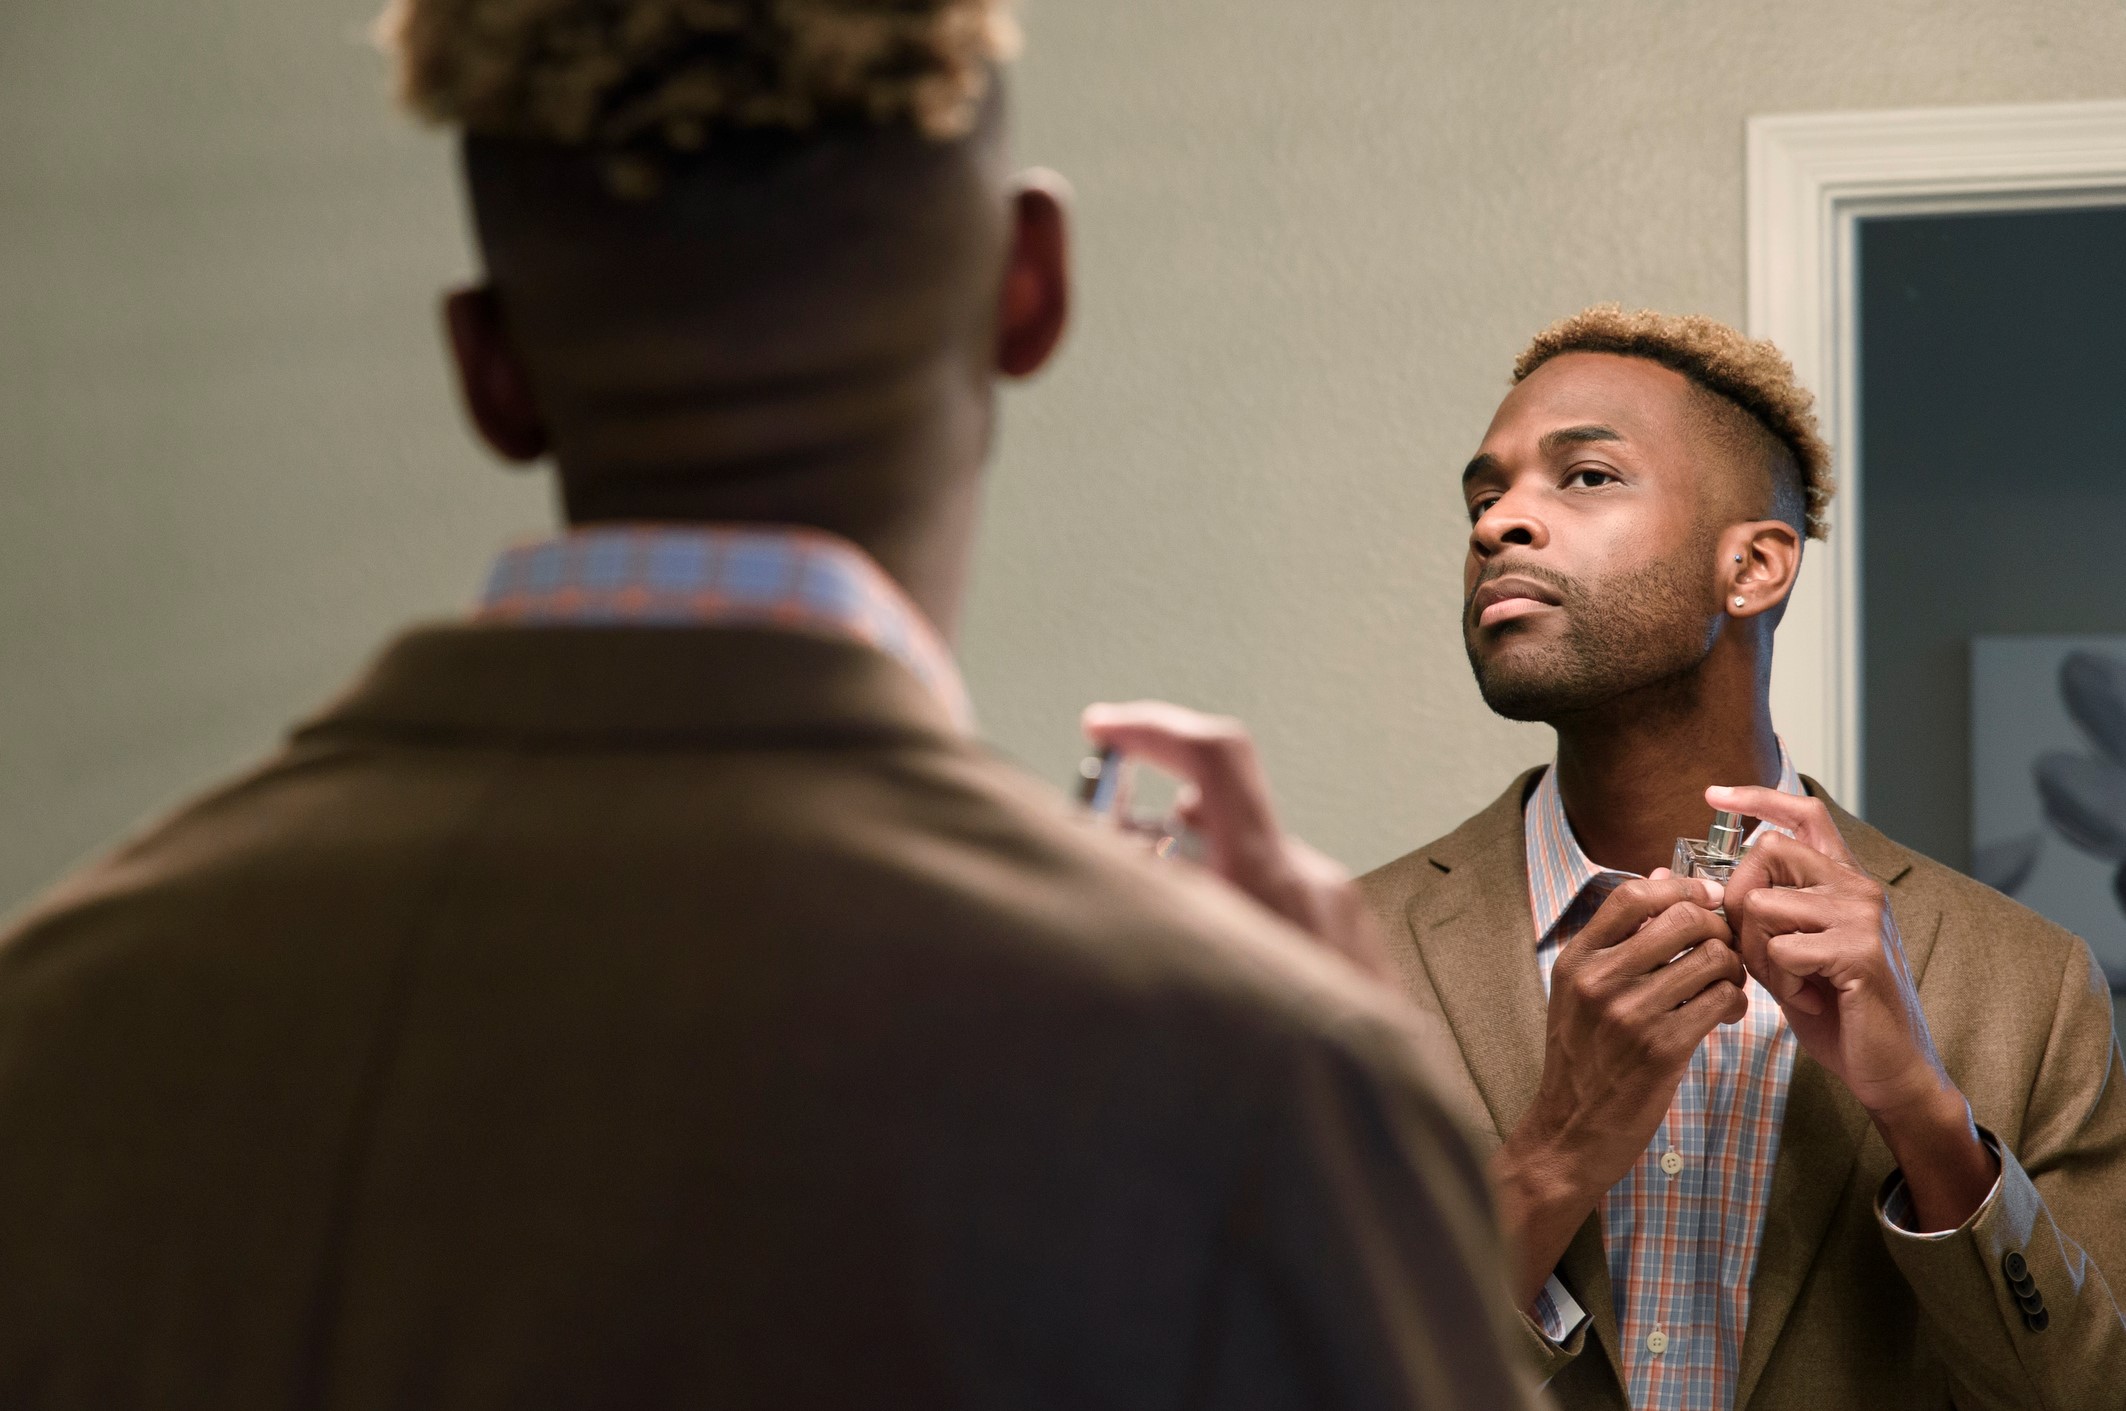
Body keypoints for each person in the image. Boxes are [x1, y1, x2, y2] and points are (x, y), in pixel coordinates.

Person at [0, 4, 1540, 1409]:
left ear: (489, 367)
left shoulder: (55, 1010)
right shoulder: (1258, 1085)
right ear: (1028, 284)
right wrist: (1332, 1098)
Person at [1360, 304, 2126, 1410]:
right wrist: (1551, 1159)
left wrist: (1919, 1113)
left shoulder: (2025, 983)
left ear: (1755, 565)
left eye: (1582, 478)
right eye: (1485, 496)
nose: (1497, 525)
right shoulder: (1334, 960)